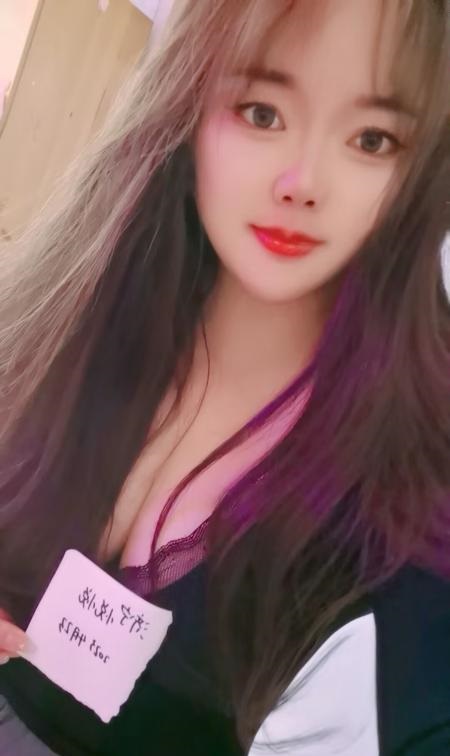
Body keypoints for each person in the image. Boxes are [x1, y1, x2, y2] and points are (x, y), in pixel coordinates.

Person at [0, 0, 449, 753]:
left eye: (371, 139)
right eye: (262, 113)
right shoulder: (59, 334)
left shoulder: (400, 526)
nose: (303, 181)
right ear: (185, 103)